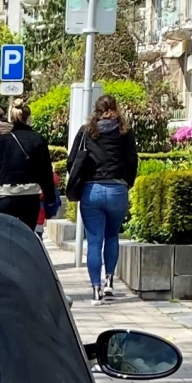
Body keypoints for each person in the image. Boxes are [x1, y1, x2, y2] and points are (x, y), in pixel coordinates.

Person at [64, 93, 139, 301]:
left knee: (95, 241)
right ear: (116, 108)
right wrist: (127, 183)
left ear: (96, 110)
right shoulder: (125, 131)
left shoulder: (87, 131)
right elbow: (132, 160)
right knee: (112, 236)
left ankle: (95, 289)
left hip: (92, 190)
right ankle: (109, 281)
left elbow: (72, 161)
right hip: (117, 190)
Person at [0, 101, 56, 229]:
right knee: (26, 237)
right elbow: (45, 172)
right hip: (30, 197)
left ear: (11, 118)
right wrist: (50, 198)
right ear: (29, 118)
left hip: (5, 196)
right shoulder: (38, 140)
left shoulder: (3, 140)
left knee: (4, 237)